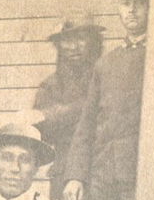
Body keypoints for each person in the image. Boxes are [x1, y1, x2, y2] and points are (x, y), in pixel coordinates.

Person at [57, 0, 151, 200]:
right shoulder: (107, 63)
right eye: (125, 4)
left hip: (137, 174)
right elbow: (87, 124)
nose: (132, 11)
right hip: (102, 174)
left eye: (140, 3)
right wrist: (76, 175)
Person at [27, 10, 106, 181]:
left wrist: (55, 115)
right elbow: (40, 128)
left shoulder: (109, 77)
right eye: (66, 40)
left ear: (94, 41)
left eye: (81, 38)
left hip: (100, 171)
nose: (73, 46)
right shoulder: (51, 86)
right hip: (63, 171)